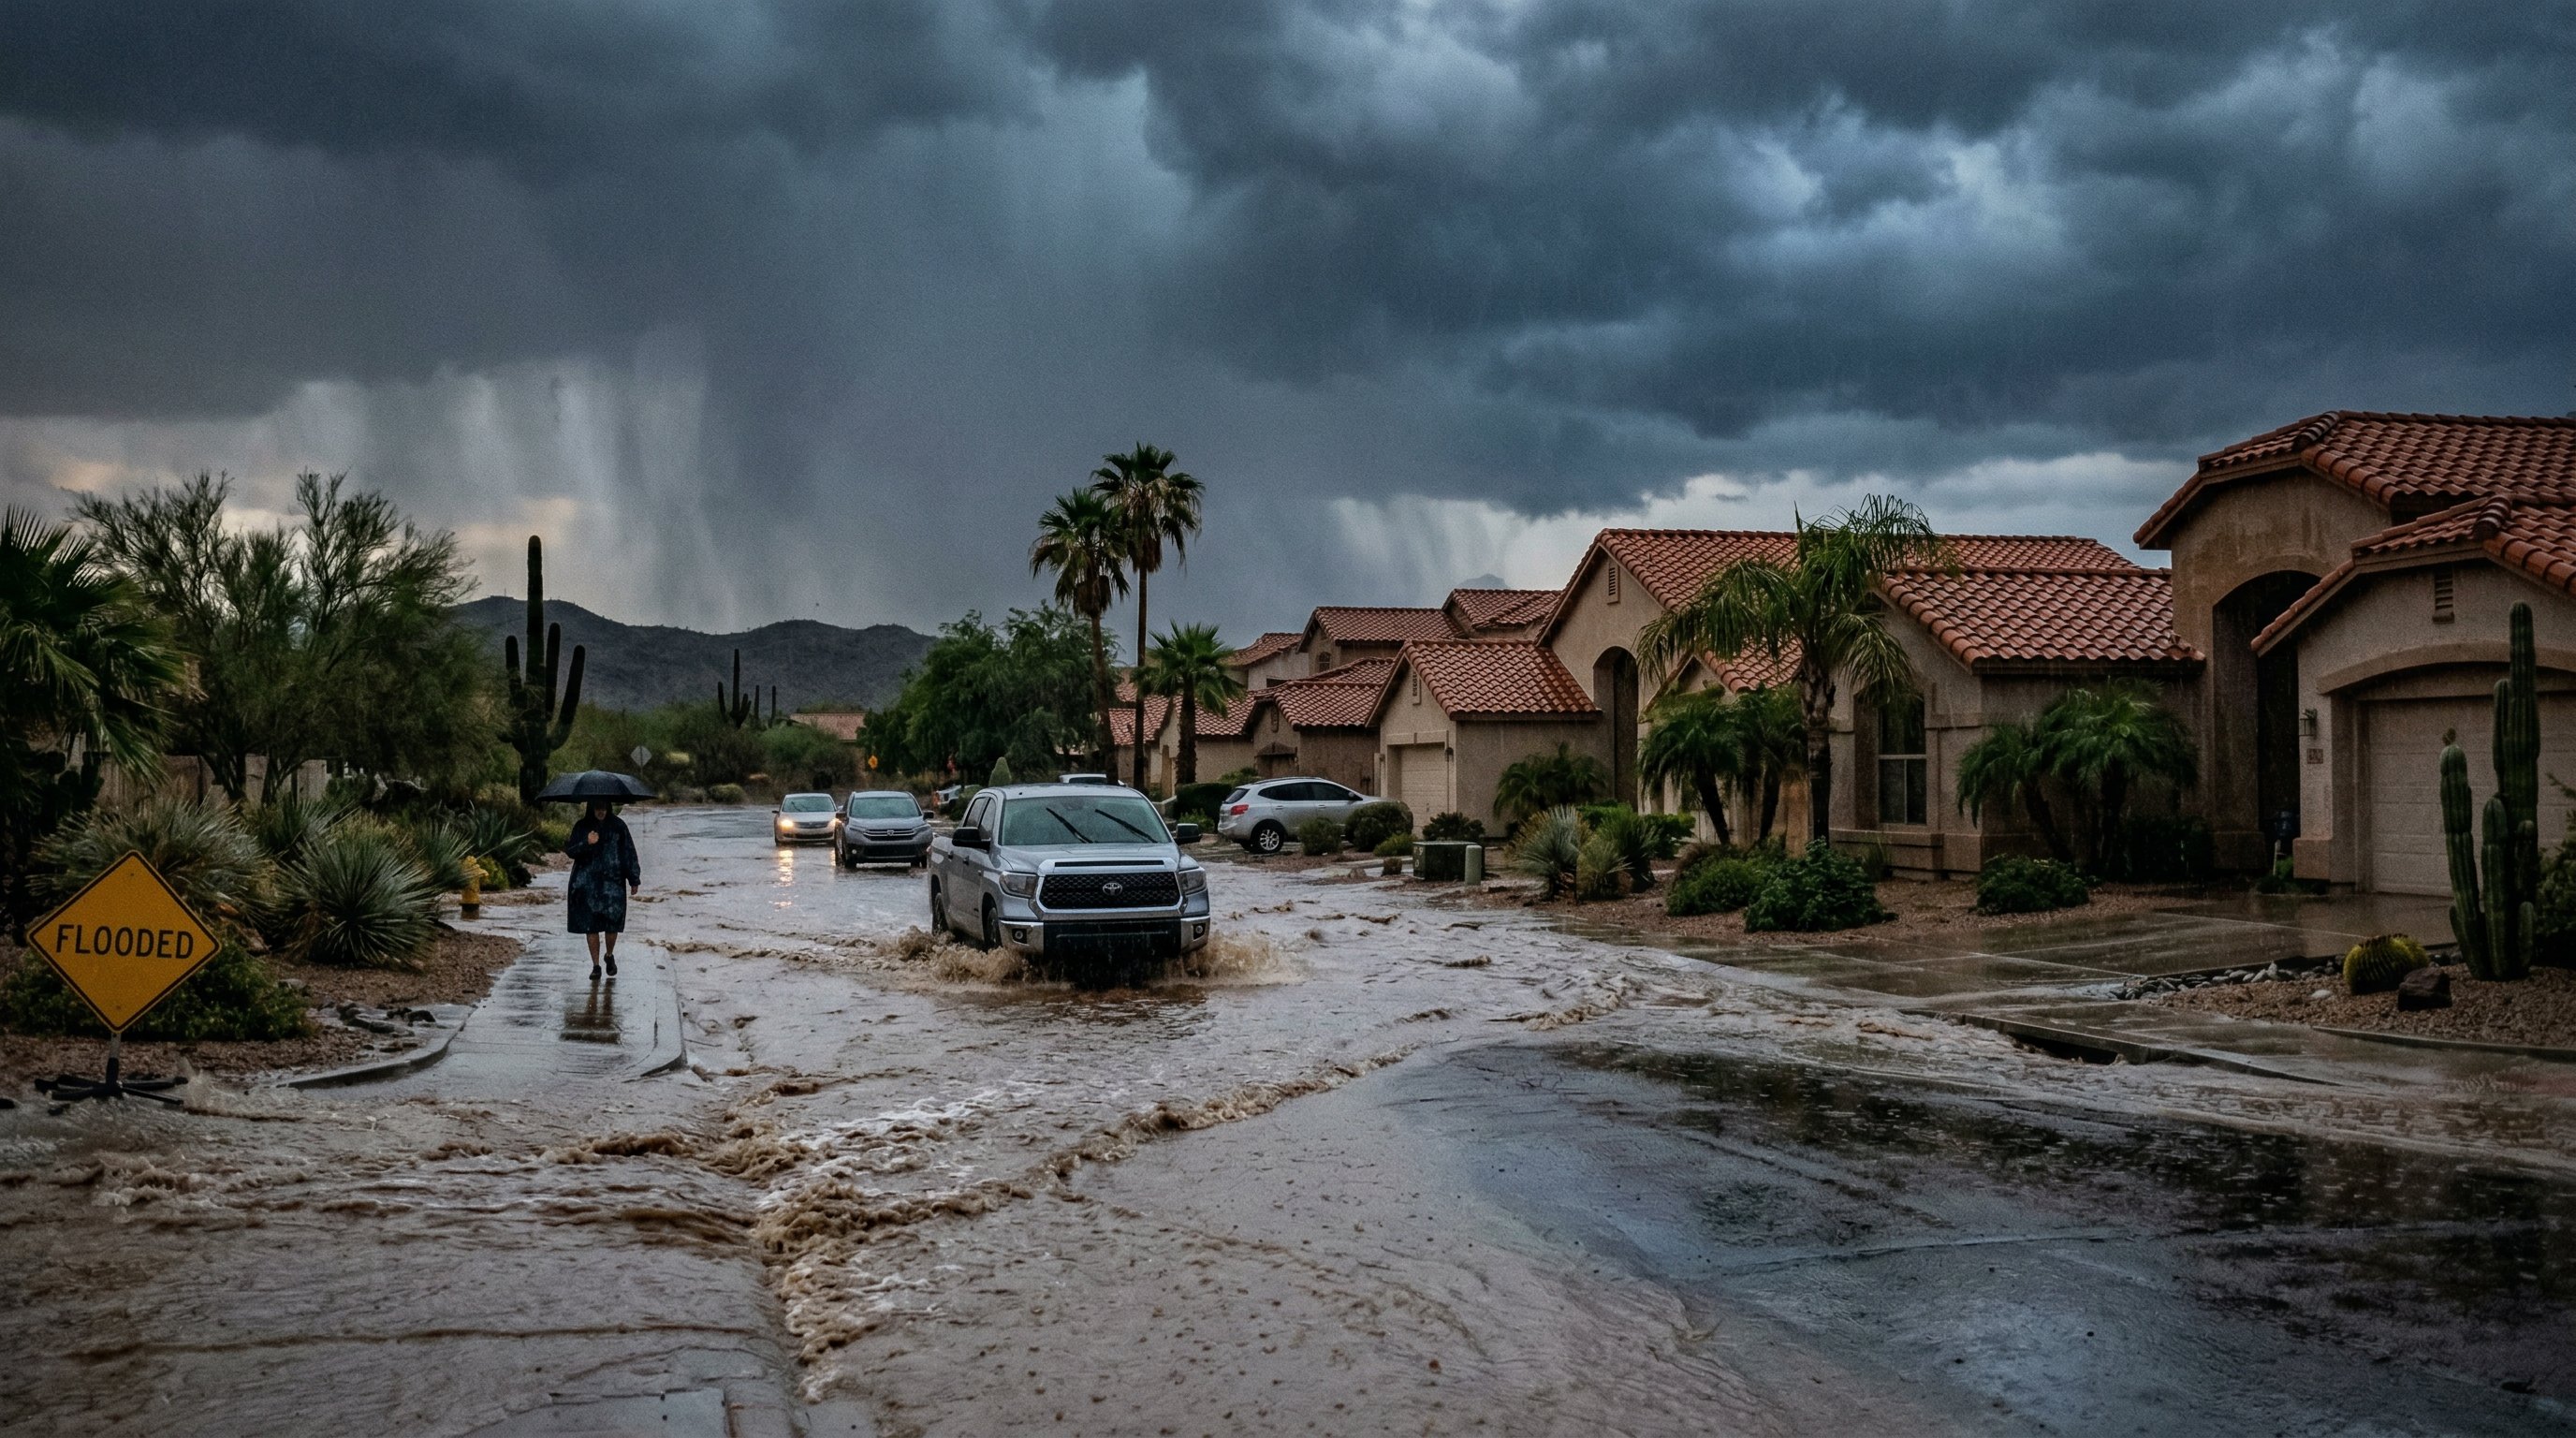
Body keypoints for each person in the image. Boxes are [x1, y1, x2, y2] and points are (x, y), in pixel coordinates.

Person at [565, 799, 641, 979]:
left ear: (609, 807)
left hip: (613, 882)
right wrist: (586, 842)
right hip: (586, 883)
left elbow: (629, 852)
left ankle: (609, 955)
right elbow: (570, 851)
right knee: (590, 926)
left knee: (612, 924)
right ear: (591, 808)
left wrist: (634, 879)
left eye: (604, 807)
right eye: (597, 808)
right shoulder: (582, 826)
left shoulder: (619, 827)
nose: (601, 811)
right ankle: (596, 965)